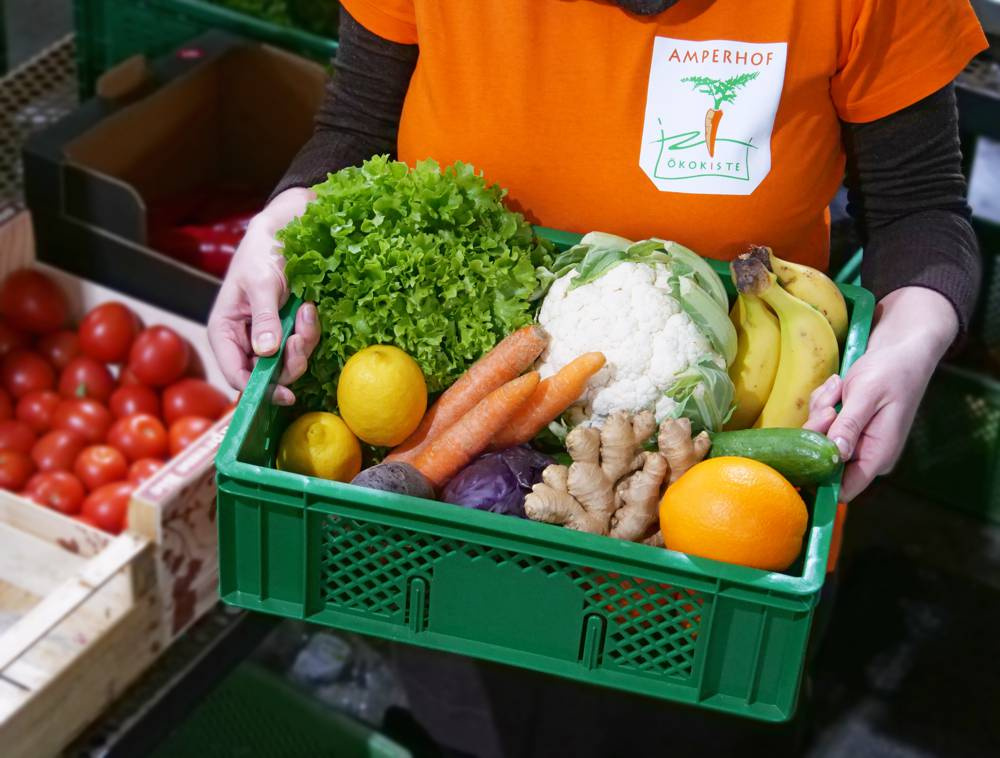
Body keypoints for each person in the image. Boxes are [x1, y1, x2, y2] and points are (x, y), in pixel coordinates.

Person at [207, 1, 987, 754]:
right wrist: (281, 224)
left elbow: (919, 210)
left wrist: (912, 338)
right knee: (469, 723)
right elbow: (354, 131)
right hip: (457, 515)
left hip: (710, 559)